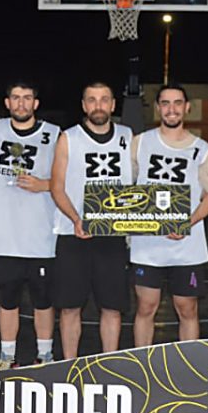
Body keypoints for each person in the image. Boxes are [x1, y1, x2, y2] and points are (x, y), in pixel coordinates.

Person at [129, 85, 208, 346]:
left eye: (177, 103)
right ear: (157, 108)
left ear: (187, 107)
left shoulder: (201, 149)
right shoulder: (140, 143)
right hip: (147, 244)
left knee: (187, 308)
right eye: (166, 103)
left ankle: (187, 363)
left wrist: (186, 222)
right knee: (146, 307)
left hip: (186, 246)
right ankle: (144, 363)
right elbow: (126, 188)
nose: (172, 109)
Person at [50, 82, 133, 359]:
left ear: (113, 104)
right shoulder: (68, 138)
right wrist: (76, 218)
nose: (98, 105)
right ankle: (69, 365)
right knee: (70, 307)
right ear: (84, 105)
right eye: (92, 100)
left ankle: (109, 363)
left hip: (112, 234)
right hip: (73, 233)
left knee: (112, 307)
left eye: (104, 99)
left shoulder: (127, 136)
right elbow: (56, 187)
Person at [0, 82, 61, 369]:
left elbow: (72, 176)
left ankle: (45, 355)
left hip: (40, 236)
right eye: (16, 98)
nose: (21, 103)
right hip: (5, 236)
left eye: (27, 98)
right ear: (7, 102)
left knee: (43, 300)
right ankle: (7, 357)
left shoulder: (54, 134)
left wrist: (45, 185)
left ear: (35, 104)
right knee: (8, 299)